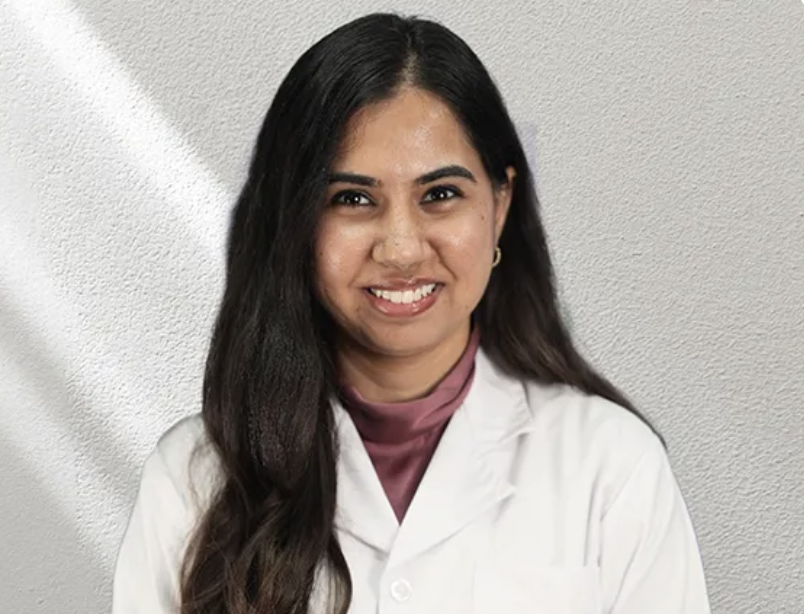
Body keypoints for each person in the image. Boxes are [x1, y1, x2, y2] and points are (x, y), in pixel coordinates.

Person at [112, 12, 711, 614]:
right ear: (293, 222)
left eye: (440, 195)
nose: (400, 248)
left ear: (500, 204)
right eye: (352, 199)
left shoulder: (611, 468)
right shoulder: (193, 480)